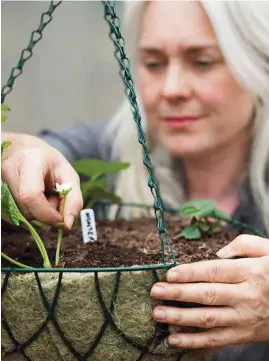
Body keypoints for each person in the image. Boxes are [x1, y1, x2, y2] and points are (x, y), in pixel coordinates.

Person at [1, 1, 269, 360]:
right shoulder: (105, 151)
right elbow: (31, 153)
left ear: (257, 64)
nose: (172, 89)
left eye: (202, 61)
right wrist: (14, 150)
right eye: (154, 63)